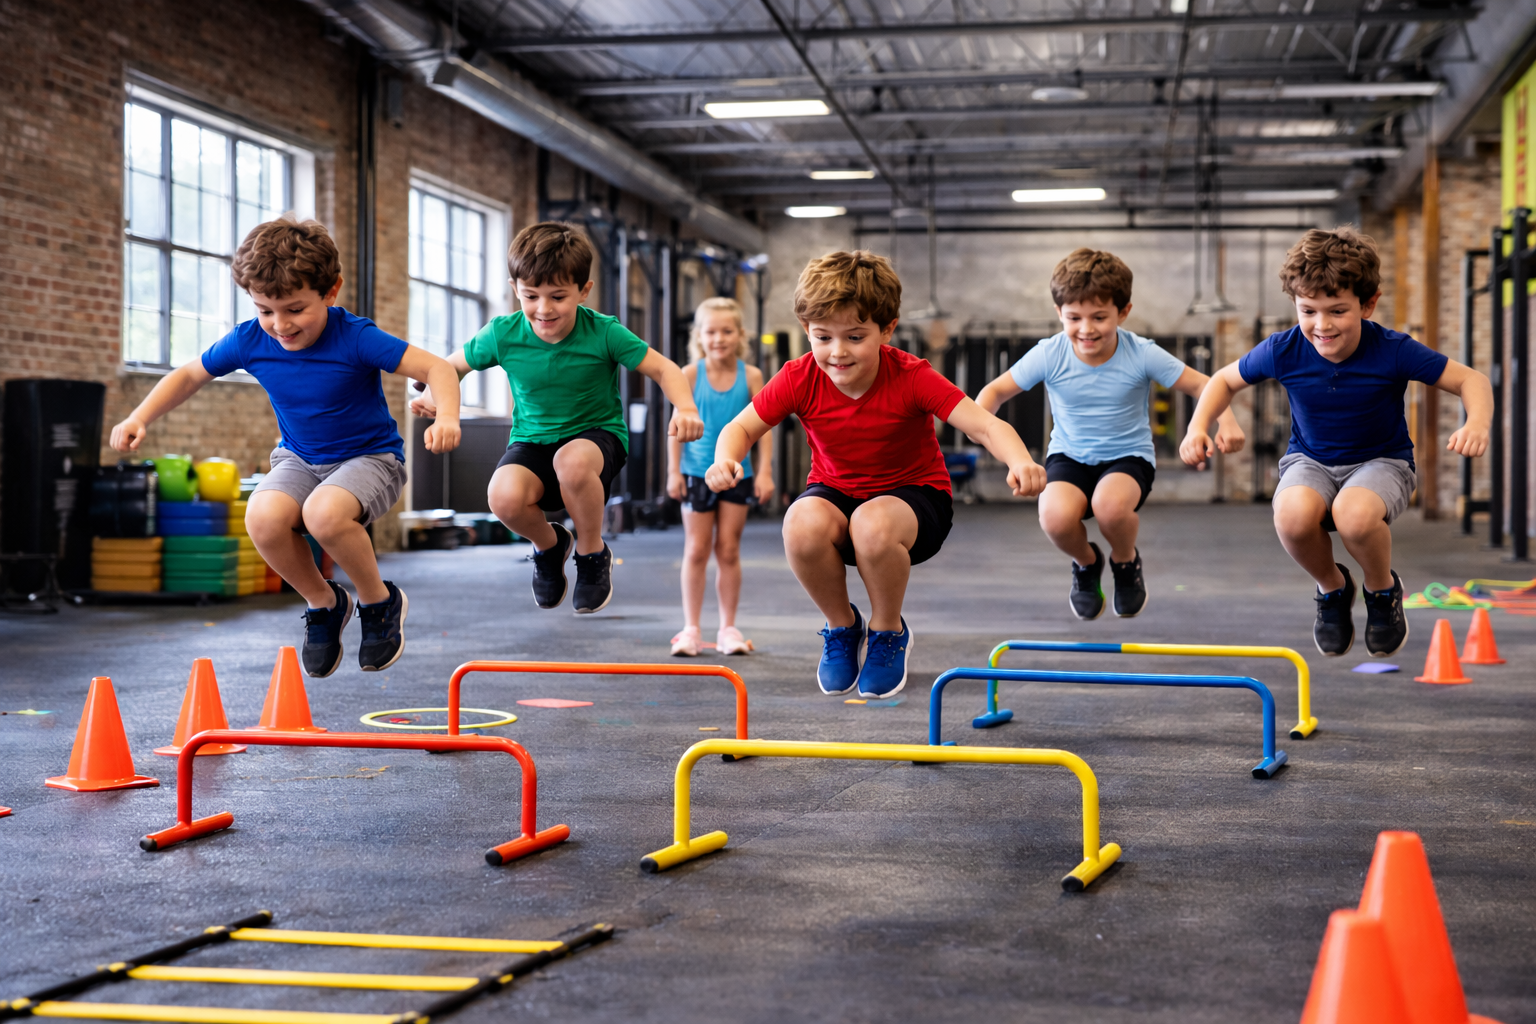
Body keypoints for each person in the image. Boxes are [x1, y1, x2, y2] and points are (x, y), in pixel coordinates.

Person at [110, 217, 461, 677]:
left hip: (370, 458)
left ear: (330, 291)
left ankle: (379, 600)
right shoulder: (251, 339)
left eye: (295, 309)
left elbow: (438, 368)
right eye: (265, 310)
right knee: (261, 517)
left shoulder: (355, 337)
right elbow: (190, 374)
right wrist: (140, 415)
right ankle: (325, 602)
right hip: (299, 458)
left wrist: (449, 416)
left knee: (324, 515)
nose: (280, 325)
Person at [706, 250, 1047, 699]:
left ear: (886, 330)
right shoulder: (798, 377)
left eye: (855, 336)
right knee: (799, 524)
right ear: (807, 329)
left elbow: (983, 423)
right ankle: (842, 626)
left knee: (871, 522)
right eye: (823, 337)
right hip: (837, 493)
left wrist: (1019, 460)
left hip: (914, 501)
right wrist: (725, 458)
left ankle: (887, 631)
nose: (837, 352)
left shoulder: (911, 376)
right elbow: (741, 427)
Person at [1181, 226, 1492, 657]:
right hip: (1310, 460)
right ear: (1295, 304)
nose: (1321, 326)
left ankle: (1382, 591)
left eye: (1337, 311)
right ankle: (1333, 589)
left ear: (1368, 304)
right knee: (1290, 517)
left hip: (1383, 462)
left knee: (1354, 515)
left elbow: (1470, 379)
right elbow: (1223, 381)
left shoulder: (1393, 350)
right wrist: (1199, 425)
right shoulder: (1283, 349)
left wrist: (1476, 423)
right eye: (1307, 311)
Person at [410, 221, 702, 613]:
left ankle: (591, 552)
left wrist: (685, 408)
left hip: (596, 438)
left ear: (584, 291)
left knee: (572, 460)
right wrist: (433, 393)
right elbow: (450, 367)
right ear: (515, 289)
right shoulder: (503, 333)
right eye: (531, 296)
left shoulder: (603, 332)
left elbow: (665, 369)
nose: (543, 309)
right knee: (503, 497)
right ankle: (549, 546)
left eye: (558, 297)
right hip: (532, 441)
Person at [976, 248, 1246, 620]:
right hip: (1068, 457)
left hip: (1127, 457)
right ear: (1059, 314)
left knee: (1109, 507)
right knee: (1053, 518)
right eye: (1074, 318)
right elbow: (995, 392)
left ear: (1123, 312)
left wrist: (1226, 420)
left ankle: (1124, 560)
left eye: (1099, 317)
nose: (1086, 329)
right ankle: (1087, 562)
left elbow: (1207, 385)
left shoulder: (1141, 353)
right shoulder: (1049, 354)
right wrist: (981, 421)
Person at [666, 297, 773, 657]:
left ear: (740, 335)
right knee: (696, 549)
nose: (719, 339)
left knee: (728, 549)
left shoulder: (753, 375)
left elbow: (765, 427)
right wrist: (673, 471)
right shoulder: (690, 374)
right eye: (711, 332)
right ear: (699, 335)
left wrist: (766, 472)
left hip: (738, 473)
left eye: (727, 331)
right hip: (697, 472)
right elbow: (677, 426)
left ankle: (728, 627)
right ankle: (690, 629)